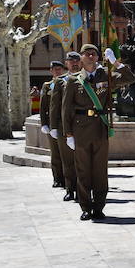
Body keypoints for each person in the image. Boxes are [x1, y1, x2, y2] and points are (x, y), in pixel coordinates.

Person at [62, 43, 135, 221]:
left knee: (100, 171)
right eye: (87, 54)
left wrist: (115, 63)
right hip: (80, 130)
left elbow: (130, 78)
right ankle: (86, 206)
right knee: (83, 170)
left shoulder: (106, 75)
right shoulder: (73, 80)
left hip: (100, 128)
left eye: (93, 54)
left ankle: (99, 206)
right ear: (80, 57)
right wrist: (68, 134)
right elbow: (66, 109)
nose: (90, 57)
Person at [50, 52, 82, 201]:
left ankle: (84, 190)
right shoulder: (61, 81)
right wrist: (53, 127)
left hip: (83, 126)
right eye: (71, 61)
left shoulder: (87, 78)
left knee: (83, 161)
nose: (74, 63)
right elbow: (54, 106)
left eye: (77, 60)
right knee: (68, 161)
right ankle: (70, 189)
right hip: (64, 126)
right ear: (66, 63)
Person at [39, 61, 66, 189]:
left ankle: (68, 179)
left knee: (66, 153)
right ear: (51, 71)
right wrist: (44, 123)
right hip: (52, 123)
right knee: (55, 153)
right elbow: (43, 105)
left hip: (65, 122)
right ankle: (57, 178)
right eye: (55, 69)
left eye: (60, 69)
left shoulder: (67, 83)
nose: (57, 71)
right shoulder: (47, 86)